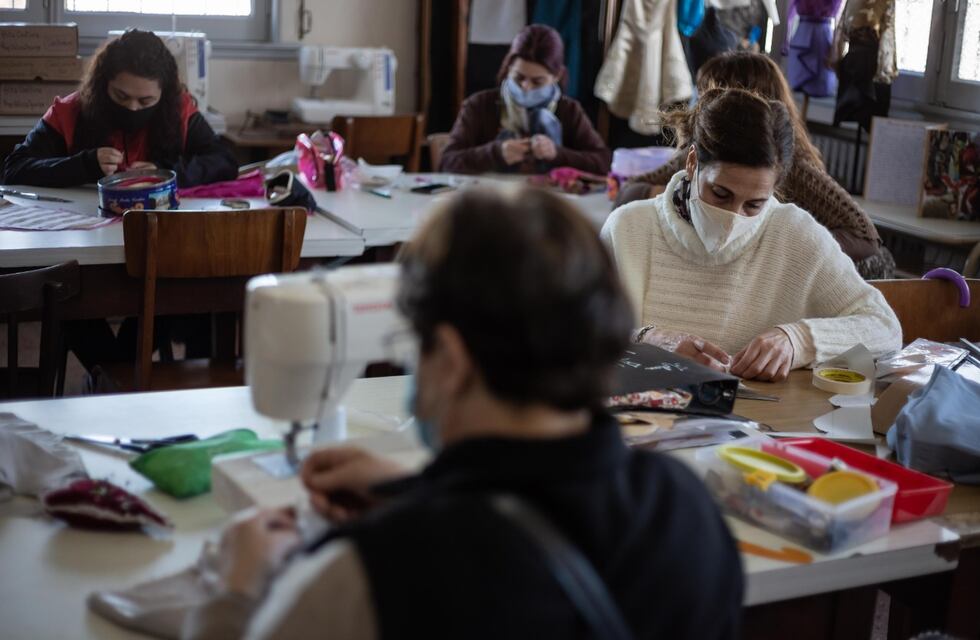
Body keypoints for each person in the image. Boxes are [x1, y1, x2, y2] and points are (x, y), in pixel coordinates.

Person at [184, 188, 743, 639]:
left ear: (449, 360)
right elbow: (547, 511)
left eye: (414, 347)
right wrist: (426, 490)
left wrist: (235, 589)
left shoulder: (370, 577)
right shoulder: (689, 511)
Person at [602, 88, 901, 382]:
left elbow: (885, 327)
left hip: (757, 424)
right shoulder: (628, 228)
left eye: (754, 204)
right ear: (692, 163)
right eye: (720, 194)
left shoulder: (794, 233)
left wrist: (798, 340)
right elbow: (569, 332)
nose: (734, 217)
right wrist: (648, 340)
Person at [614, 51, 895, 280]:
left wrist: (782, 245)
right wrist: (676, 196)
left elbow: (865, 238)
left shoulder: (791, 169)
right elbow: (628, 192)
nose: (701, 106)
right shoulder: (707, 151)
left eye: (711, 96)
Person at [1, 29, 237, 188]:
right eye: (121, 96)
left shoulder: (179, 110)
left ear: (164, 94)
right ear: (104, 84)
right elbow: (14, 168)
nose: (132, 108)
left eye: (145, 102)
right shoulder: (69, 111)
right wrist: (84, 165)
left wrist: (165, 173)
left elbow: (224, 161)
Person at [440, 24, 611, 176]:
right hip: (489, 202)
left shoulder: (569, 110)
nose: (526, 87)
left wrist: (557, 153)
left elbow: (603, 162)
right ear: (508, 68)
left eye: (537, 81)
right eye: (518, 77)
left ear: (556, 76)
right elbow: (447, 162)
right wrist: (496, 152)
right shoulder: (479, 105)